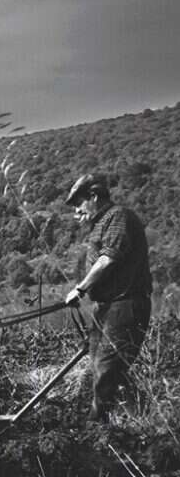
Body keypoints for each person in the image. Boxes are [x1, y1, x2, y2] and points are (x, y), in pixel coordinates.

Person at [64, 173, 152, 421]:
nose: (76, 212)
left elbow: (107, 260)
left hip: (125, 305)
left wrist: (80, 289)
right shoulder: (100, 224)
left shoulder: (118, 217)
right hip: (107, 307)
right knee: (103, 366)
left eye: (79, 204)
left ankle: (97, 427)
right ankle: (137, 419)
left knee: (106, 367)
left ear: (93, 196)